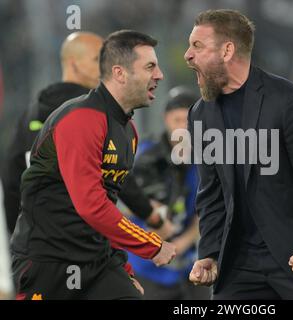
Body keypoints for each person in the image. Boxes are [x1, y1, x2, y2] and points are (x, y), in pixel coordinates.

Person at [10, 30, 176, 300]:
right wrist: (151, 245)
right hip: (48, 264)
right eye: (150, 67)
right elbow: (92, 206)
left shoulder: (129, 131)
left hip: (98, 264)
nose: (159, 75)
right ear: (120, 73)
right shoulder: (82, 119)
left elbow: (108, 206)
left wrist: (123, 269)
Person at [184, 9, 293, 299]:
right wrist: (210, 253)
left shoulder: (288, 101)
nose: (188, 55)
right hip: (238, 265)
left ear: (227, 50)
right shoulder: (200, 114)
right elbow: (211, 193)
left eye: (197, 46)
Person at [1, 32, 103, 234]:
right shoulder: (96, 111)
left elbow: (12, 178)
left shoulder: (31, 112)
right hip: (84, 240)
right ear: (74, 64)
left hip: (36, 241)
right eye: (98, 59)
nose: (105, 67)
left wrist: (17, 237)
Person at [125, 86, 210, 300]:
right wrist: (154, 225)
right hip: (147, 266)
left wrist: (183, 242)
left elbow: (208, 209)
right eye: (177, 120)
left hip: (189, 266)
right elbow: (123, 206)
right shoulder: (144, 157)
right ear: (165, 119)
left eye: (188, 122)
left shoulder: (205, 161)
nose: (182, 128)